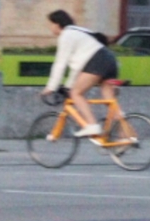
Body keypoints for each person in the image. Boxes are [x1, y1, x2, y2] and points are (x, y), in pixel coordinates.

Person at [43, 9, 123, 139]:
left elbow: (60, 64)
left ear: (57, 24)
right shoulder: (78, 31)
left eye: (50, 25)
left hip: (97, 61)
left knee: (76, 93)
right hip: (110, 59)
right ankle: (128, 137)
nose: (50, 28)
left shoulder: (66, 36)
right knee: (109, 100)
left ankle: (92, 125)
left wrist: (51, 87)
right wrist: (68, 85)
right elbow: (77, 68)